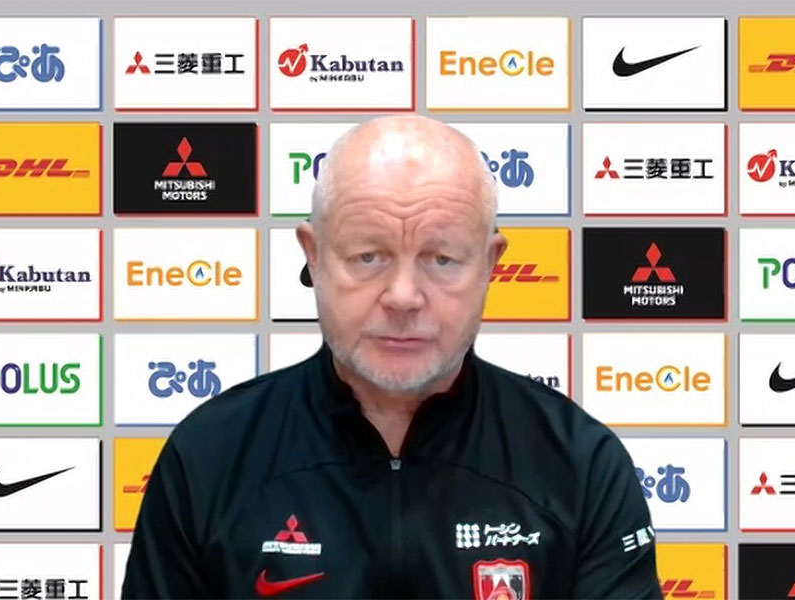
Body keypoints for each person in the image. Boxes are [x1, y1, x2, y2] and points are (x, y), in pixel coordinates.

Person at [121, 114, 661, 599]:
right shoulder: (211, 456)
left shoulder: (578, 464)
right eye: (368, 256)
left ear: (490, 265)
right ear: (314, 256)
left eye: (442, 259)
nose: (403, 296)